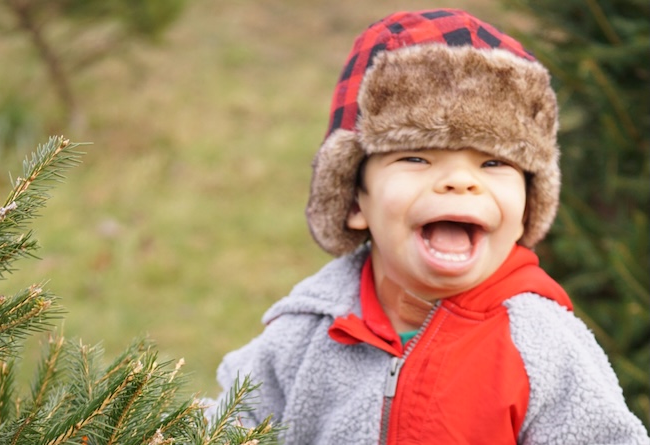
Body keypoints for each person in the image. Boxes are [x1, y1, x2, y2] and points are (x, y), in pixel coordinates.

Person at [210, 9, 650, 444]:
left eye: (493, 162)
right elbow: (230, 424)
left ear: (526, 209)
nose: (461, 180)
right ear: (354, 201)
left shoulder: (543, 346)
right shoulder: (307, 330)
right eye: (416, 158)